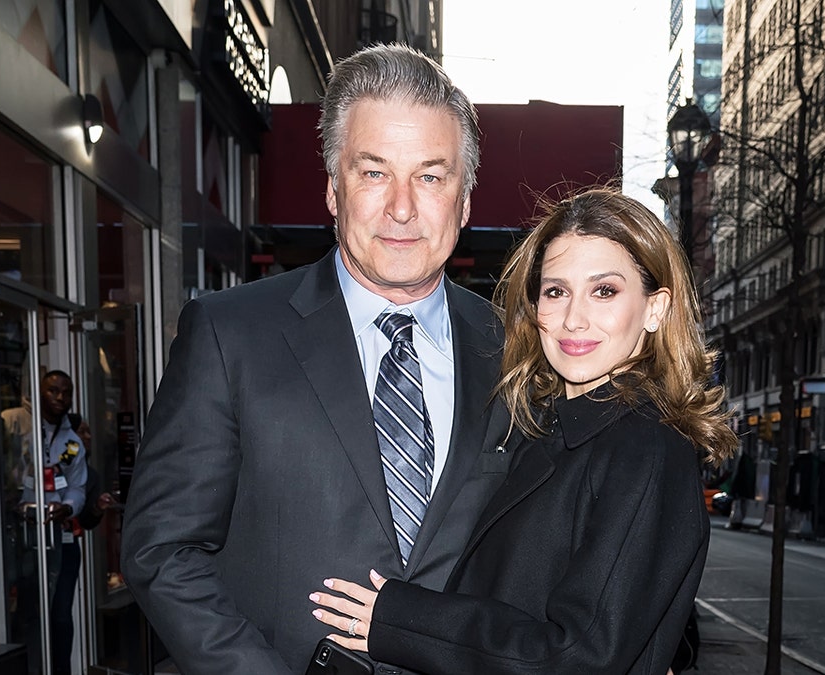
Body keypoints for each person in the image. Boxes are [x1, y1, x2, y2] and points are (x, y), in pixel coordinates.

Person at [121, 43, 513, 675]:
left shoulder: (514, 350)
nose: (403, 208)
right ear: (333, 190)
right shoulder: (231, 333)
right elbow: (162, 550)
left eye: (431, 176)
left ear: (464, 202)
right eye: (374, 171)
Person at [310, 188, 740, 674]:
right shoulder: (545, 427)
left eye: (605, 291)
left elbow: (578, 655)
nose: (574, 319)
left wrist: (399, 619)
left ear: (655, 308)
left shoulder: (645, 447)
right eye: (556, 291)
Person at [2, 370, 88, 675]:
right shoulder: (14, 424)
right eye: (53, 391)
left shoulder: (73, 441)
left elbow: (78, 486)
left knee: (60, 616)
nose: (60, 398)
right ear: (39, 391)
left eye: (66, 392)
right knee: (26, 613)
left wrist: (67, 507)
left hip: (60, 536)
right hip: (22, 536)